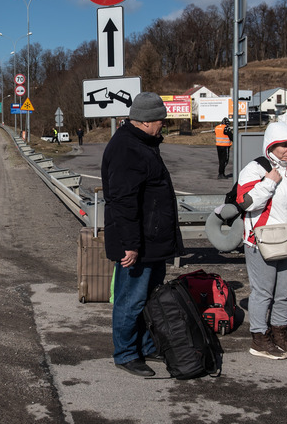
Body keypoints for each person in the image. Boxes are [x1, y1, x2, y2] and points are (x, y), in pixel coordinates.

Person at [101, 92, 183, 377]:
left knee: (147, 298)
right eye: (161, 119)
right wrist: (131, 245)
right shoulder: (127, 148)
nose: (163, 124)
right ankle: (125, 354)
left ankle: (145, 346)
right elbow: (123, 203)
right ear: (146, 121)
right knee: (130, 300)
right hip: (137, 244)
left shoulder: (141, 143)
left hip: (151, 240)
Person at [234, 120, 287, 359]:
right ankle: (259, 338)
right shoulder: (255, 168)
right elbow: (248, 202)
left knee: (285, 292)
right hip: (262, 240)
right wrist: (270, 181)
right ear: (271, 145)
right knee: (263, 293)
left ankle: (279, 332)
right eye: (283, 145)